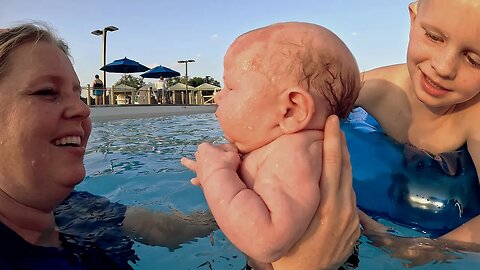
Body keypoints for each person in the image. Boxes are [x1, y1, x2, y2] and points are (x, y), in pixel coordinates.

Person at [0, 22, 360, 270]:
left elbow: (165, 229)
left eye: (79, 94)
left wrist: (234, 191)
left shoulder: (75, 208)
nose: (82, 108)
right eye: (46, 92)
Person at [181, 22, 360, 265]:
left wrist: (216, 173)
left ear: (290, 111)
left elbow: (265, 242)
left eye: (231, 86)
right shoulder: (301, 152)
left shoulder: (291, 154)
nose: (217, 96)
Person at [354, 0, 480, 265]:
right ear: (413, 19)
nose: (444, 67)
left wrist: (427, 250)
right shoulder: (372, 88)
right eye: (434, 37)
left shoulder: (475, 118)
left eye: (475, 60)